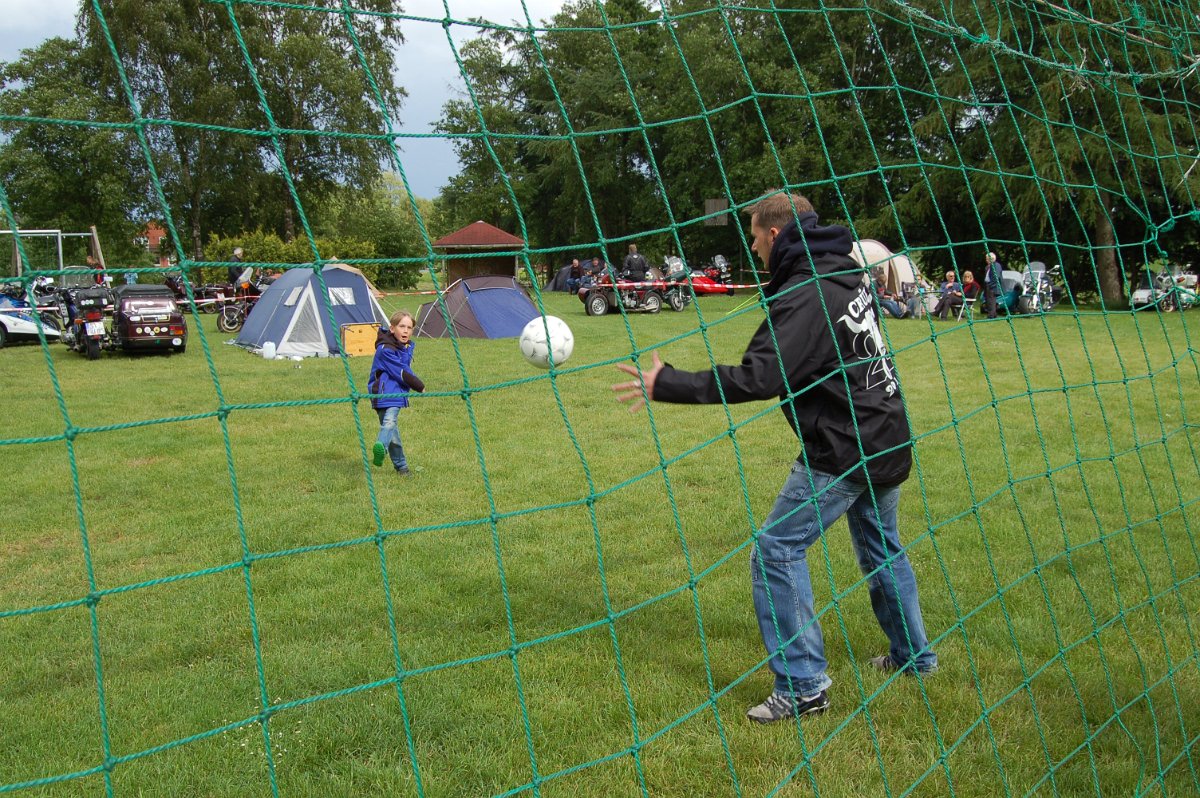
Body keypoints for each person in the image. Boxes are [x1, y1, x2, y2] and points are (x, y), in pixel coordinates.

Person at [612, 191, 937, 724]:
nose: (757, 247)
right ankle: (915, 657)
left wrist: (666, 383)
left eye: (758, 237)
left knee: (776, 549)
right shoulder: (841, 270)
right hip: (886, 430)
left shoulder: (809, 289)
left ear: (778, 234)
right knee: (882, 546)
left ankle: (804, 686)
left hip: (846, 446)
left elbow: (761, 375)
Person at [368, 309, 424, 476]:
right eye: (402, 326)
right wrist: (419, 385)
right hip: (385, 393)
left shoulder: (402, 348)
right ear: (392, 329)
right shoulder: (386, 350)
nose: (406, 331)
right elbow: (400, 371)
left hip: (394, 393)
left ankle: (402, 468)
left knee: (393, 435)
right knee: (389, 423)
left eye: (409, 327)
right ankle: (381, 446)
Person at [983, 252, 1003, 319]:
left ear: (991, 259)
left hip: (992, 286)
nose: (986, 260)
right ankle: (993, 314)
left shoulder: (996, 265)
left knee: (991, 301)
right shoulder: (989, 266)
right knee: (989, 300)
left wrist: (991, 285)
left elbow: (996, 276)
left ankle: (991, 315)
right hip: (988, 285)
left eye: (987, 259)